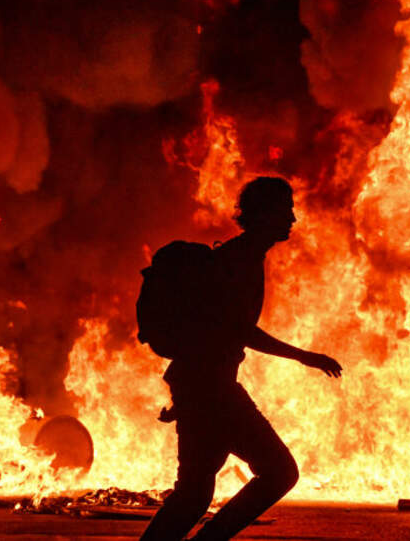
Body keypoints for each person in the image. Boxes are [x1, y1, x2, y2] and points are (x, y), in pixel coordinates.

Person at [140, 176, 342, 541]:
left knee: (192, 496)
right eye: (284, 210)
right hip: (212, 391)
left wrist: (186, 398)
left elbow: (216, 331)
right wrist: (304, 357)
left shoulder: (241, 256)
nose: (292, 219)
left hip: (201, 386)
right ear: (262, 214)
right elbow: (239, 330)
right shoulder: (239, 260)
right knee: (279, 472)